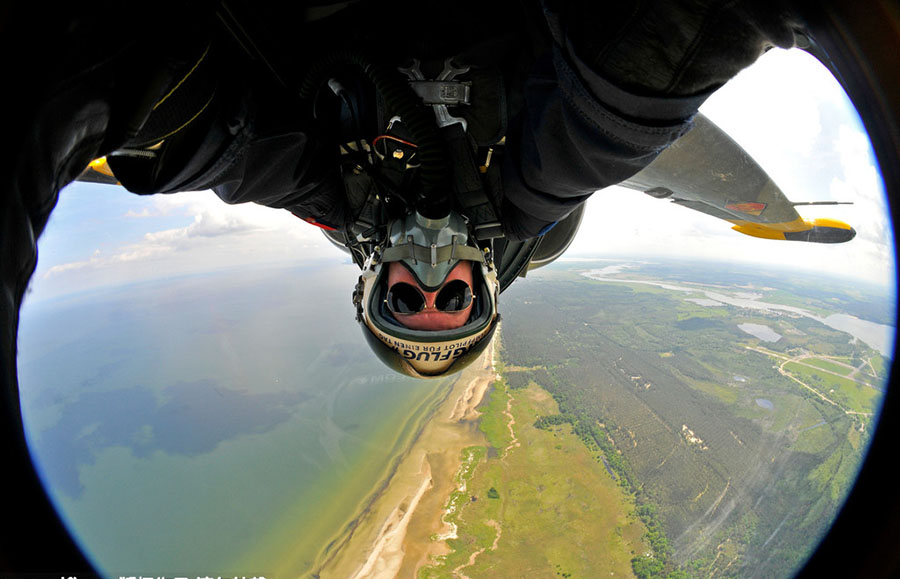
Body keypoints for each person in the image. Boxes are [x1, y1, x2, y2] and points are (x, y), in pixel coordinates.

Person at [6, 0, 805, 377]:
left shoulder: (335, 206)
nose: (430, 279)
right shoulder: (530, 217)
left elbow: (240, 159)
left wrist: (120, 114)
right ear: (488, 289)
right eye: (454, 305)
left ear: (369, 289)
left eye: (403, 305)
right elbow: (602, 139)